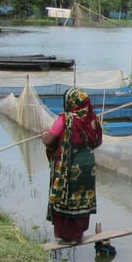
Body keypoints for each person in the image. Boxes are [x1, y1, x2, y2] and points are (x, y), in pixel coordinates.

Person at [41, 88, 103, 243]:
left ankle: (68, 237)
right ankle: (78, 235)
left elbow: (49, 140)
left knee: (66, 197)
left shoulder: (66, 119)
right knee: (81, 199)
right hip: (88, 165)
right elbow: (98, 141)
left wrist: (44, 135)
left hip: (71, 165)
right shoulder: (92, 119)